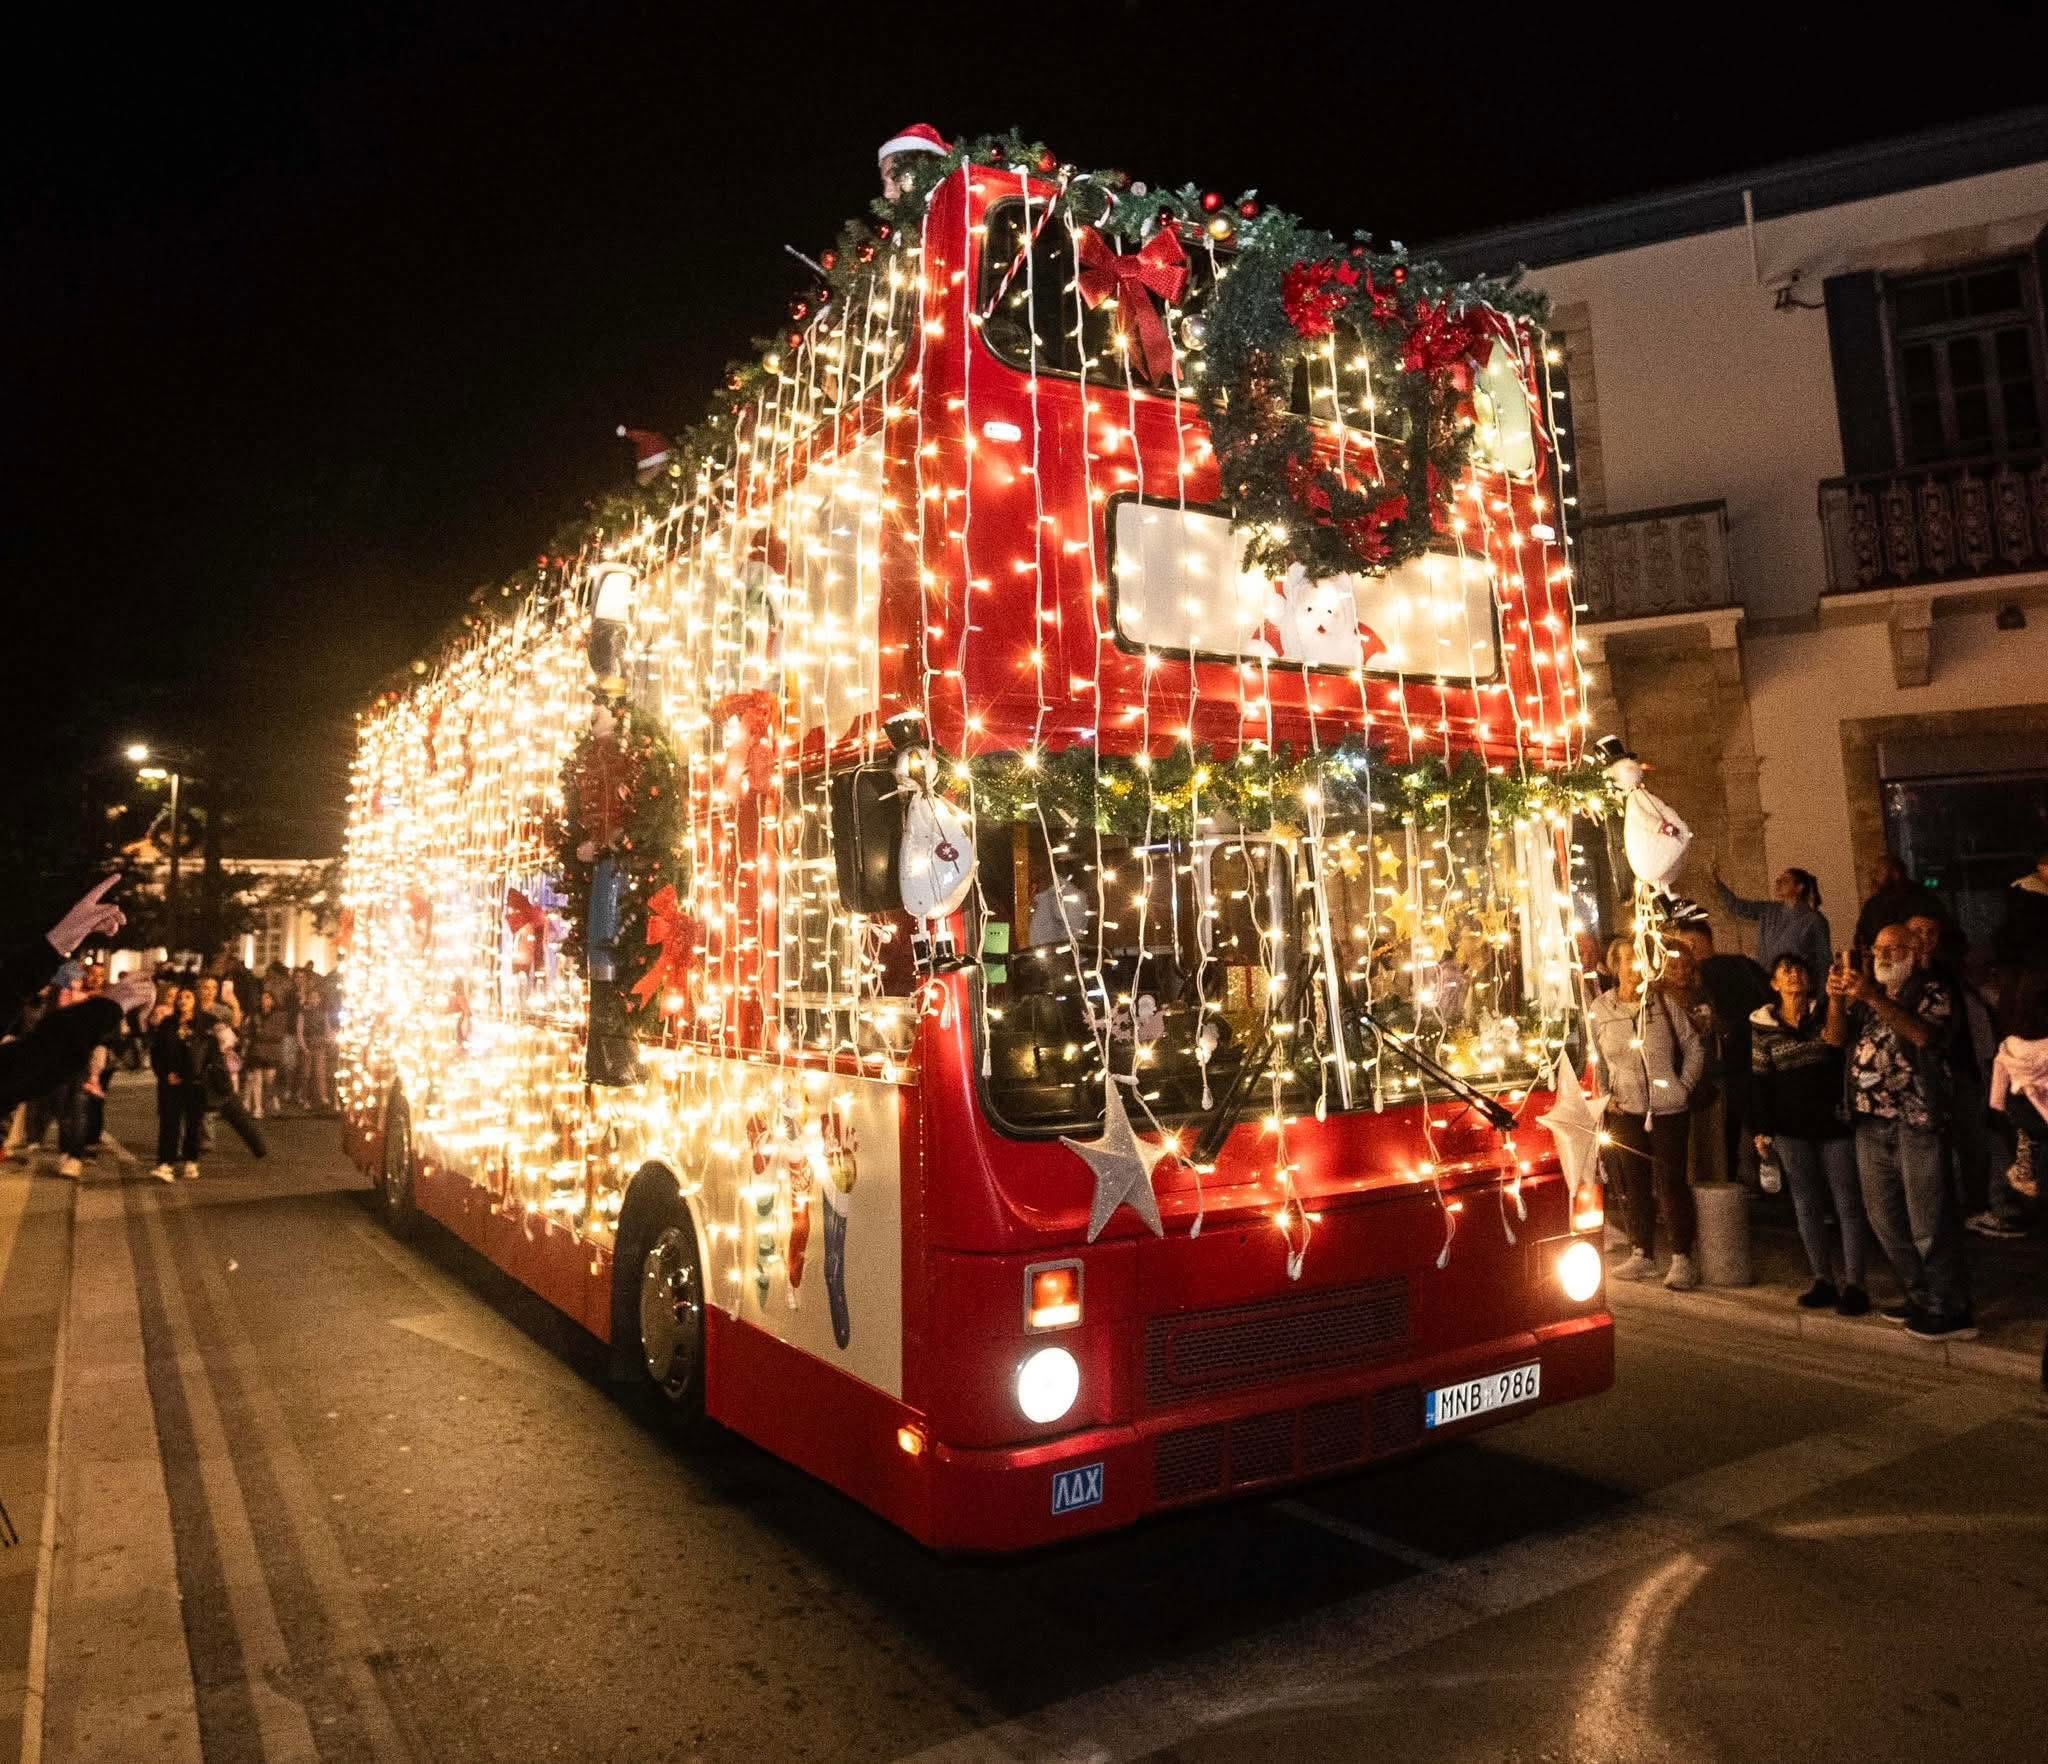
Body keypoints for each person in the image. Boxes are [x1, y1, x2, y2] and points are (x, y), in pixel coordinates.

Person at [1824, 924, 1974, 1341]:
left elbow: (1925, 1036)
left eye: (1895, 948)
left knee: (1929, 1219)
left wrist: (1873, 996)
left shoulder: (1931, 991)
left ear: (1915, 952)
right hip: (1871, 1122)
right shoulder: (1866, 998)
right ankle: (1919, 1295)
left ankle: (1951, 1307)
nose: (1885, 955)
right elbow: (1835, 1039)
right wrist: (1836, 1000)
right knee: (1885, 1218)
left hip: (1918, 1120)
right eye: (1879, 948)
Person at [1751, 954, 1870, 1314]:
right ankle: (1822, 1278)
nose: (1794, 976)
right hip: (1790, 1128)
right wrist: (1762, 1129)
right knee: (1806, 1203)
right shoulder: (1763, 1025)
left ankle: (1855, 1283)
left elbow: (1836, 1045)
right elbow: (1761, 1078)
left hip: (1833, 1122)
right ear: (1774, 983)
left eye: (1800, 970)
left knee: (1847, 1203)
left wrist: (1835, 1003)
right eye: (1785, 971)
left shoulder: (1825, 1012)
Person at [1588, 936, 1706, 1290]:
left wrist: (1681, 1086)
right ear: (1614, 967)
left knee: (1670, 1183)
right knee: (1633, 1183)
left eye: (1637, 960)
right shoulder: (1600, 1009)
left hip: (1667, 1108)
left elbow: (1693, 1046)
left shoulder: (1662, 1003)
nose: (1633, 967)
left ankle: (1682, 1257)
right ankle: (1643, 1252)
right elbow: (1596, 1059)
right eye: (1626, 960)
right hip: (1625, 1109)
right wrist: (1605, 1097)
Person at [1670, 917, 1771, 1187]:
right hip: (1753, 1055)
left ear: (1691, 943)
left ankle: (1726, 1183)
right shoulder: (1744, 964)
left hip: (1721, 1067)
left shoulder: (1702, 982)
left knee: (1721, 1133)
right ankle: (1757, 1180)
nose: (1680, 969)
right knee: (1748, 1124)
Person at [1710, 859, 1832, 980]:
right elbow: (1738, 907)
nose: (1778, 883)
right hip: (1767, 981)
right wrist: (1717, 883)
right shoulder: (1769, 910)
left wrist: (1822, 997)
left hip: (1796, 984)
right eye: (1778, 880)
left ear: (1799, 888)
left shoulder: (1814, 920)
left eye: (1785, 881)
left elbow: (1824, 961)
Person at [150, 984, 211, 1181]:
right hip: (171, 1081)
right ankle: (165, 1163)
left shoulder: (204, 1025)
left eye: (187, 997)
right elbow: (157, 1053)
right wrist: (164, 1074)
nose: (182, 1001)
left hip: (195, 1082)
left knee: (193, 1123)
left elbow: (212, 1053)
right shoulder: (168, 1024)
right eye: (180, 997)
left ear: (195, 1001)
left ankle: (191, 1160)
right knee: (170, 1123)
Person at [1854, 853, 1939, 959]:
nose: (1873, 877)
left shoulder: (1924, 899)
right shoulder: (1873, 904)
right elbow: (1861, 939)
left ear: (1895, 873)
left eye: (1878, 872)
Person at [241, 986, 294, 1119]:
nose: (264, 1000)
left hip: (271, 1052)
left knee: (270, 1079)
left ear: (273, 1000)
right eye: (263, 997)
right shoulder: (255, 1014)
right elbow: (248, 1031)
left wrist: (262, 1034)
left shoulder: (279, 1015)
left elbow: (279, 1034)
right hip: (257, 1051)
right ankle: (258, 1107)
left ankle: (271, 1103)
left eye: (268, 998)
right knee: (257, 1079)